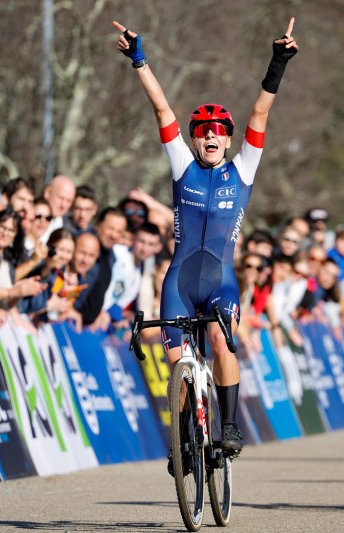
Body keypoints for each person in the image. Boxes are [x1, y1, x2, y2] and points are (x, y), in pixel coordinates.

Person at [113, 16, 298, 462]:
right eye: (203, 131)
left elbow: (259, 113)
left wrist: (278, 63)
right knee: (177, 363)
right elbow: (162, 111)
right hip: (179, 280)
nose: (211, 135)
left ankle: (229, 426)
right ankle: (184, 438)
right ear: (195, 141)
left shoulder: (244, 169)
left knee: (219, 341)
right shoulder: (183, 166)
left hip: (220, 279)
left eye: (218, 131)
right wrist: (140, 60)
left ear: (229, 140)